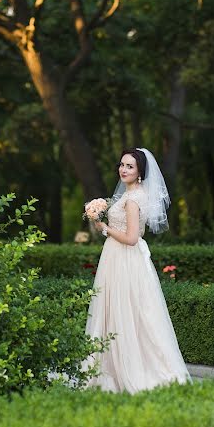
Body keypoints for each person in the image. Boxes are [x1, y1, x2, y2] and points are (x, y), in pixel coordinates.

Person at [83, 147, 191, 392]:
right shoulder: (132, 194)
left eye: (130, 166)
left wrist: (103, 227)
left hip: (124, 257)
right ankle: (112, 363)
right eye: (122, 164)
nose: (123, 169)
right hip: (119, 257)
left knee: (125, 310)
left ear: (140, 171)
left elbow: (132, 237)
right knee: (126, 309)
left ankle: (125, 367)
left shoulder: (132, 200)